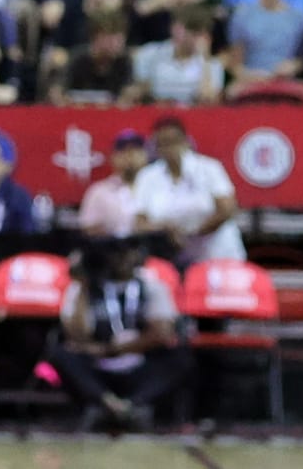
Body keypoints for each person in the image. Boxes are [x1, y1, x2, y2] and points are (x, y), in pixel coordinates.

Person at [45, 238, 187, 432]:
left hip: (137, 363)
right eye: (113, 253)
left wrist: (112, 349)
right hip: (99, 368)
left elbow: (161, 334)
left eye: (125, 252)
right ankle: (109, 404)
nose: (120, 259)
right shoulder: (82, 288)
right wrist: (84, 285)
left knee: (180, 356)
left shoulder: (152, 286)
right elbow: (76, 336)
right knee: (61, 354)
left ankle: (131, 405)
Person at [132, 117, 245, 264]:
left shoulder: (209, 168)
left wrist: (194, 233)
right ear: (156, 147)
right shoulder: (147, 177)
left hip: (218, 254)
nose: (170, 148)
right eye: (163, 143)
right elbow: (139, 223)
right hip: (173, 259)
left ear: (186, 141)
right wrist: (165, 230)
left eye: (174, 141)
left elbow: (227, 209)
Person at [80, 131, 148, 239]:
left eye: (136, 150)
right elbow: (88, 228)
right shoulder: (99, 191)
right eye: (123, 150)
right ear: (112, 157)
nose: (130, 155)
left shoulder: (156, 188)